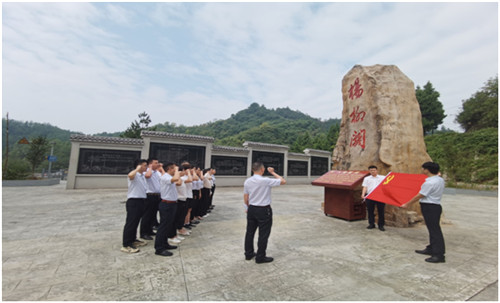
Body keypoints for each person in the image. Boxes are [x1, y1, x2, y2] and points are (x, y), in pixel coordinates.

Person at [403, 162, 446, 263]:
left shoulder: (429, 183)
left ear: (427, 170)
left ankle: (439, 255)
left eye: (423, 168)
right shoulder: (439, 179)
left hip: (430, 207)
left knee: (435, 231)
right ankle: (431, 248)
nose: (422, 170)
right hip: (435, 206)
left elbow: (420, 195)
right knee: (432, 229)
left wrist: (407, 204)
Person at [243, 162, 286, 264]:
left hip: (252, 208)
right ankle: (260, 257)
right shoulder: (265, 181)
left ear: (253, 170)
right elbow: (283, 181)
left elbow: (246, 197)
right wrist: (272, 172)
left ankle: (248, 254)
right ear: (262, 169)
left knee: (249, 232)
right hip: (263, 210)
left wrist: (247, 207)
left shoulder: (247, 181)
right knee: (263, 234)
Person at [121, 159, 149, 254]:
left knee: (136, 222)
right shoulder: (134, 174)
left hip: (141, 201)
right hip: (134, 201)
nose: (146, 167)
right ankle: (126, 244)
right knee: (131, 223)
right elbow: (130, 175)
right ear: (139, 166)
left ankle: (133, 239)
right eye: (145, 165)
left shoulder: (142, 176)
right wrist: (137, 169)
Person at [154, 163, 181, 257]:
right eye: (174, 168)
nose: (176, 170)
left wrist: (176, 172)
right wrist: (177, 171)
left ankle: (165, 244)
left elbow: (179, 181)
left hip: (172, 204)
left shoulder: (169, 177)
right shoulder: (165, 177)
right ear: (169, 169)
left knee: (168, 226)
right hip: (166, 204)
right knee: (163, 226)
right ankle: (159, 248)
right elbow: (176, 179)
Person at [140, 158, 161, 241]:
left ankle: (150, 230)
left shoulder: (157, 172)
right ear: (150, 164)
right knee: (147, 215)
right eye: (156, 163)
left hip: (157, 195)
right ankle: (143, 233)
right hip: (149, 195)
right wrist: (150, 168)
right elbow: (147, 176)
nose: (158, 164)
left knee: (153, 214)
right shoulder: (147, 171)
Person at [361, 165, 386, 231]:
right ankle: (371, 224)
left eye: (374, 170)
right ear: (369, 171)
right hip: (370, 196)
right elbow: (365, 187)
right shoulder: (367, 178)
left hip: (380, 196)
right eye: (371, 170)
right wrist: (363, 194)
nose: (373, 171)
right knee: (370, 211)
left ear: (377, 170)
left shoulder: (382, 178)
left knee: (381, 211)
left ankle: (381, 225)